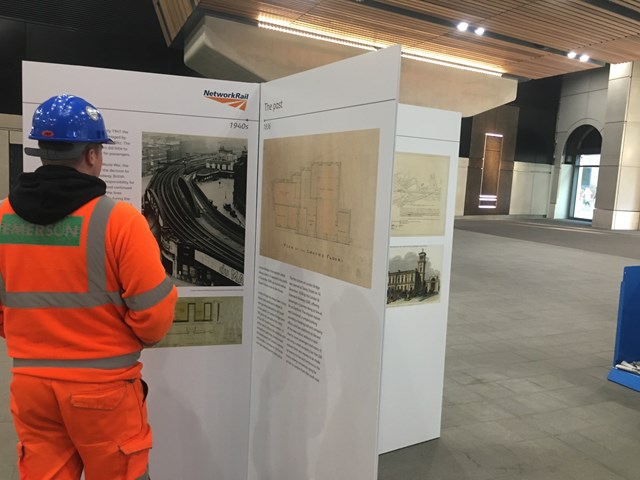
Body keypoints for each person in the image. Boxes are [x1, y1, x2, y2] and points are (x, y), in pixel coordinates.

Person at [0, 94, 178, 479]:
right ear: (93, 155)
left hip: (32, 388)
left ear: (42, 152)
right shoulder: (120, 222)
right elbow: (156, 318)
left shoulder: (1, 219)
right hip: (104, 393)